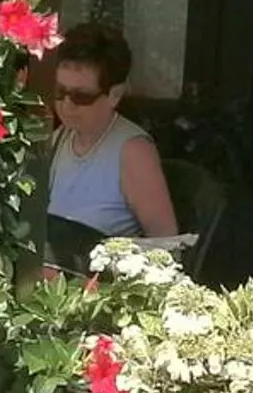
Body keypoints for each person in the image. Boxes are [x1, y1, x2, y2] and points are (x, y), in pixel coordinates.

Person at [44, 22, 177, 246]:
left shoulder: (133, 152)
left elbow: (167, 247)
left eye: (82, 96)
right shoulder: (62, 136)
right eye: (60, 92)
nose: (67, 105)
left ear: (114, 95)